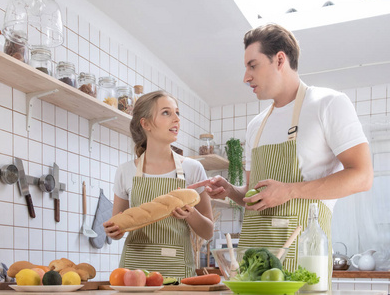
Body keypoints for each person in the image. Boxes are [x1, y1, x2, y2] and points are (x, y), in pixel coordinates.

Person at [188, 23, 373, 285]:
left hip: (302, 262)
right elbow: (253, 196)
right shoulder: (256, 125)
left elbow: (362, 177)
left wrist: (290, 190)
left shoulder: (328, 104)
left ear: (279, 60)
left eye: (253, 65)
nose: (245, 77)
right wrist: (230, 190)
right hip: (251, 268)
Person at [104, 90, 214, 278]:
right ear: (145, 124)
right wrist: (113, 231)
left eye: (177, 113)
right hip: (134, 273)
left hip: (177, 270)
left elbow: (208, 232)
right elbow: (118, 226)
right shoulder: (125, 171)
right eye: (166, 112)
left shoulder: (193, 168)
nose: (176, 119)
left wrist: (191, 214)